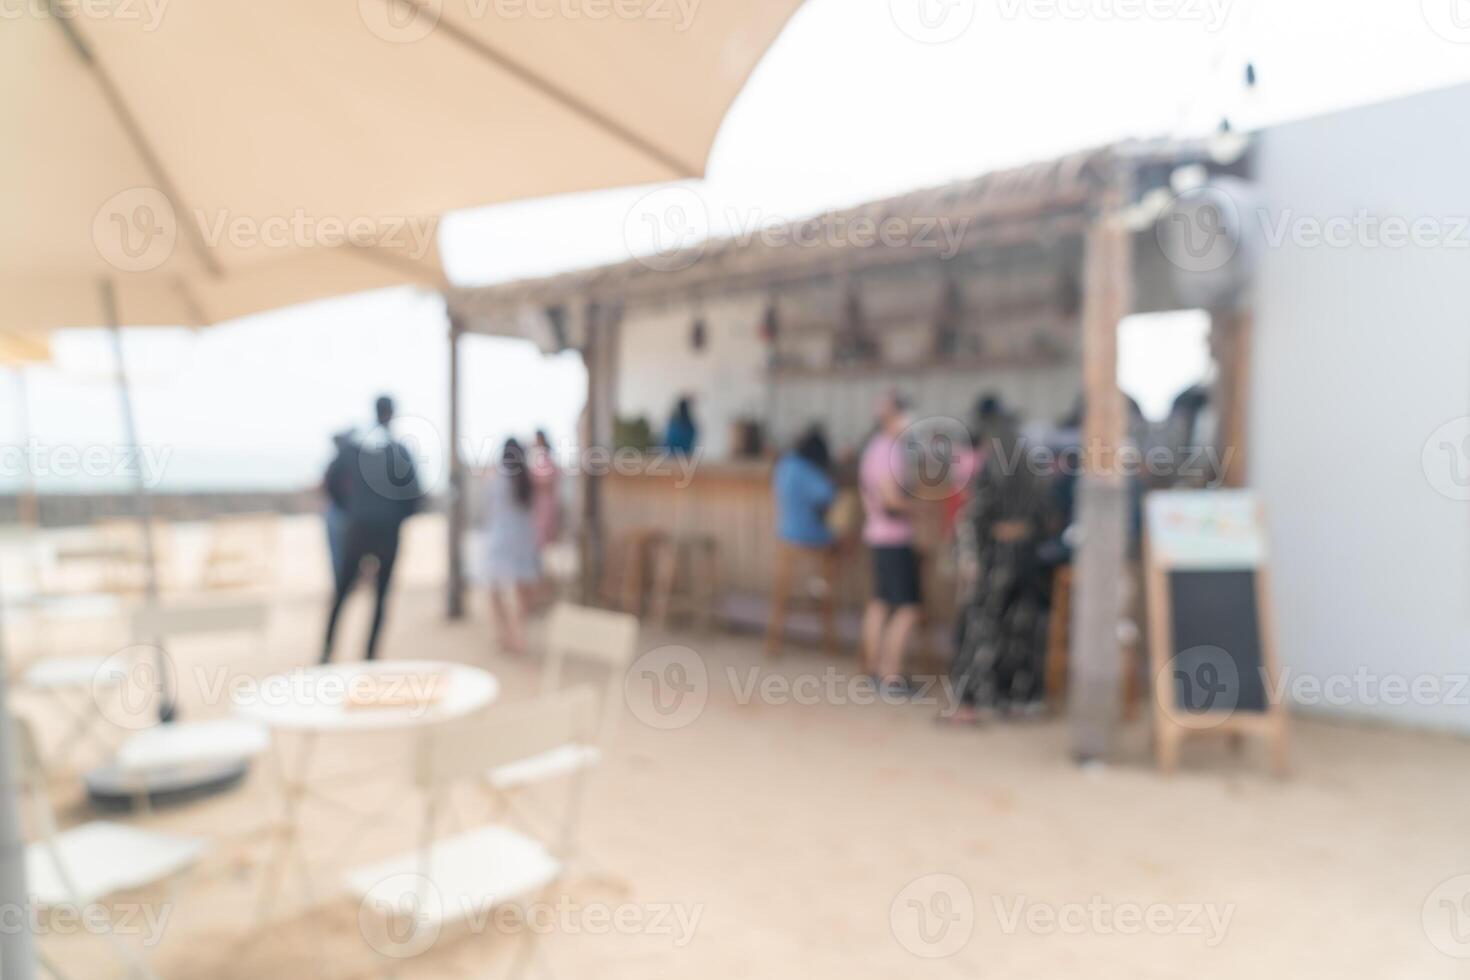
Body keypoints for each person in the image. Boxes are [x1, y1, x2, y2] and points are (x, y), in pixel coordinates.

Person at [948, 411, 1048, 722]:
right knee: (1023, 630)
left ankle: (973, 701)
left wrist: (968, 560)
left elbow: (971, 517)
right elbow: (1047, 521)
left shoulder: (993, 470)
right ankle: (1019, 699)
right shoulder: (1036, 472)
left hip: (996, 562)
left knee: (981, 628)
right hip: (1028, 563)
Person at [323, 396, 422, 662]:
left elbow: (330, 481)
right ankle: (369, 656)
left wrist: (350, 510)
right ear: (393, 413)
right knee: (380, 597)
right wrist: (396, 518)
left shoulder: (355, 447)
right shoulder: (399, 451)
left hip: (358, 528)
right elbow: (414, 495)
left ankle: (327, 652)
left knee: (342, 592)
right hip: (387, 531)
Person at [859, 391, 922, 693]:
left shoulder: (874, 447)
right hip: (893, 538)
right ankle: (891, 677)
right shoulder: (888, 450)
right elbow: (890, 499)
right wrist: (921, 507)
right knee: (908, 608)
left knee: (881, 602)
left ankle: (873, 671)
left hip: (877, 535)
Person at [482, 437, 541, 655]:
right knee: (522, 590)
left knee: (494, 590)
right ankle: (520, 636)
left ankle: (504, 634)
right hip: (524, 538)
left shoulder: (496, 478)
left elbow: (488, 507)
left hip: (501, 538)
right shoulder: (527, 479)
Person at [773, 426, 836, 548]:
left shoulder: (785, 463)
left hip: (785, 531)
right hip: (807, 532)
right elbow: (828, 494)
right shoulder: (806, 469)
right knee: (844, 536)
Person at [321, 429, 356, 593]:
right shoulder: (343, 464)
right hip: (341, 514)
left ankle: (343, 584)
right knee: (341, 553)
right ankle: (342, 584)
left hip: (340, 514)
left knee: (342, 553)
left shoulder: (336, 464)